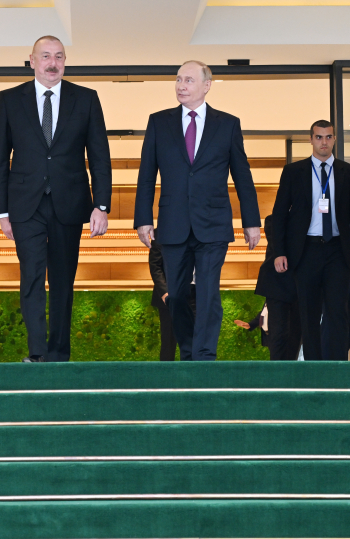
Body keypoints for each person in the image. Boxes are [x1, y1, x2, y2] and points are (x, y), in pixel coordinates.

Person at [0, 35, 112, 362]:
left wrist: (101, 205)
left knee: (62, 280)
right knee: (31, 276)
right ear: (32, 61)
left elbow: (99, 156)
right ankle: (37, 353)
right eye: (45, 56)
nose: (52, 63)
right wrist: (2, 211)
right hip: (25, 205)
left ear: (65, 61)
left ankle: (58, 354)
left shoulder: (86, 99)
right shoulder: (9, 99)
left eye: (59, 56)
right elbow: (0, 159)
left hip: (70, 203)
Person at [134, 60, 261, 361]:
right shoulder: (159, 122)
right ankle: (189, 351)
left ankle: (204, 356)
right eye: (178, 79)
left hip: (213, 223)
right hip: (173, 224)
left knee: (207, 291)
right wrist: (143, 218)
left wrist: (251, 221)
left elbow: (242, 176)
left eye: (189, 80)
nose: (181, 85)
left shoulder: (227, 124)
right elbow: (146, 173)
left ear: (207, 85)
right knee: (176, 295)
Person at [273, 120, 350, 361]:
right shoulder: (294, 172)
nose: (323, 142)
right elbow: (279, 214)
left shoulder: (347, 172)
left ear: (334, 139)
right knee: (308, 314)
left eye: (328, 137)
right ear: (311, 140)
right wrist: (279, 251)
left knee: (338, 312)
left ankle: (337, 368)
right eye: (319, 137)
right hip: (306, 250)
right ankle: (314, 369)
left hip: (339, 250)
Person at [253, 214, 301, 360]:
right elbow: (276, 240)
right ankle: (278, 371)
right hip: (277, 283)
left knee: (296, 335)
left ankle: (289, 370)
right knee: (279, 334)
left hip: (301, 284)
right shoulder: (273, 220)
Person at [149, 229, 196, 361]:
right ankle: (166, 374)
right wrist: (165, 293)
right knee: (168, 342)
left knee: (195, 341)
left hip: (195, 293)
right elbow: (155, 265)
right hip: (169, 296)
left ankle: (192, 373)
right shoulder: (161, 232)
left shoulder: (200, 229)